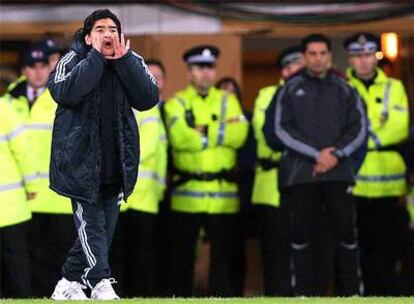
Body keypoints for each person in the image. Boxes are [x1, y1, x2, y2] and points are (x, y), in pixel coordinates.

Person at [47, 9, 158, 300]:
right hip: (81, 164)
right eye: (100, 29)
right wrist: (95, 57)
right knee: (93, 229)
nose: (107, 34)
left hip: (117, 164)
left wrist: (123, 61)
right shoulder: (73, 59)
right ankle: (99, 282)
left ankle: (68, 282)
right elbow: (65, 92)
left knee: (102, 233)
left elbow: (148, 98)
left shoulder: (130, 62)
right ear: (87, 36)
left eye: (112, 29)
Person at [264, 34, 367, 296]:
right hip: (302, 176)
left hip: (338, 174)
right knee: (300, 236)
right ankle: (303, 296)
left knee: (346, 234)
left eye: (323, 53)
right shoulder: (288, 89)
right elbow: (280, 129)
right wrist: (316, 155)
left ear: (330, 57)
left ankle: (354, 295)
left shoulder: (345, 89)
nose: (318, 58)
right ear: (304, 57)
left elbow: (359, 127)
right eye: (312, 54)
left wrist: (337, 154)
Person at [164, 45, 249, 297]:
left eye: (210, 68)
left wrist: (204, 132)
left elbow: (240, 134)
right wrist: (219, 131)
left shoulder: (229, 100)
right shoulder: (176, 102)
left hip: (223, 198)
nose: (205, 74)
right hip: (187, 197)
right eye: (200, 68)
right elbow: (179, 138)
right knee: (181, 262)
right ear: (190, 72)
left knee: (224, 261)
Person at [4, 45, 74, 297]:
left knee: (59, 260)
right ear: (23, 70)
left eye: (43, 66)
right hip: (24, 200)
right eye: (32, 67)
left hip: (57, 197)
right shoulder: (10, 100)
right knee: (27, 257)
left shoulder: (62, 96)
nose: (37, 72)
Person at [344, 33, 410, 295]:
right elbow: (338, 130)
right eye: (358, 56)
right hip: (355, 188)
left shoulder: (394, 87)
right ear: (350, 58)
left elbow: (399, 128)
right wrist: (375, 135)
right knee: (359, 253)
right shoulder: (342, 88)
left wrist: (359, 140)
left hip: (389, 190)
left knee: (389, 253)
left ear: (376, 56)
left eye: (368, 55)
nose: (363, 61)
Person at [253, 45, 304, 296]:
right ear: (285, 70)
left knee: (306, 251)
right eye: (295, 66)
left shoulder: (313, 94)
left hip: (304, 183)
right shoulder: (267, 95)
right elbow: (270, 136)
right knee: (276, 256)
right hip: (272, 186)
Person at [116, 59, 168, 298]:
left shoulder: (148, 106)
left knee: (142, 260)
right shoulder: (118, 100)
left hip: (143, 198)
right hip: (120, 197)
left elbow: (144, 148)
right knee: (118, 258)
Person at [0, 101, 39, 298]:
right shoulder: (4, 109)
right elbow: (23, 150)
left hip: (9, 205)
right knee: (16, 264)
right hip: (9, 207)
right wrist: (32, 185)